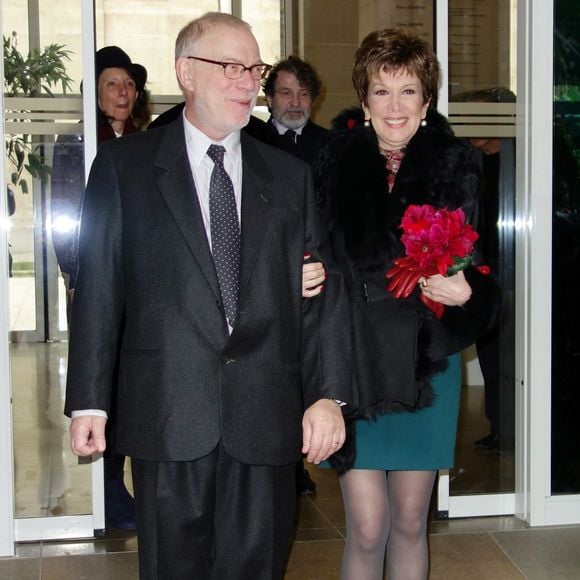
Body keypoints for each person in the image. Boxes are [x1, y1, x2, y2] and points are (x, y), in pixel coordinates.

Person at [65, 12, 351, 580]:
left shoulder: (287, 177)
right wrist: (90, 398)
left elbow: (318, 291)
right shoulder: (127, 167)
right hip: (168, 412)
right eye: (231, 67)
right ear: (185, 73)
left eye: (254, 68)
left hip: (265, 415)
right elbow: (99, 286)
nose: (250, 82)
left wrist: (328, 396)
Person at [312, 28, 499, 579]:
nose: (395, 106)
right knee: (368, 525)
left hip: (426, 361)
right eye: (381, 91)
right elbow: (309, 253)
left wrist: (469, 291)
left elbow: (480, 265)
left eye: (408, 91)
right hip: (354, 359)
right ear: (364, 100)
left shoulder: (457, 163)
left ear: (427, 100)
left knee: (412, 520)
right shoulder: (331, 164)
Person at [51, 46, 151, 530]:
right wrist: (82, 278)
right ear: (93, 92)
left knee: (133, 387)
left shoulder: (146, 143)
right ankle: (108, 491)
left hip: (143, 293)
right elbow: (64, 222)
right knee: (101, 386)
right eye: (113, 84)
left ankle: (125, 484)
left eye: (129, 84)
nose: (123, 92)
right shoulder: (74, 144)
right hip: (98, 288)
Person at [453, 87, 517, 453]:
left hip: (520, 272)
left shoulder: (522, 159)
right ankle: (500, 428)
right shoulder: (468, 163)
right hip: (482, 274)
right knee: (491, 354)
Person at [263, 55, 329, 164]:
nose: (296, 103)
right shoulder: (252, 141)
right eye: (286, 93)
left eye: (303, 94)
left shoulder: (331, 145)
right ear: (270, 98)